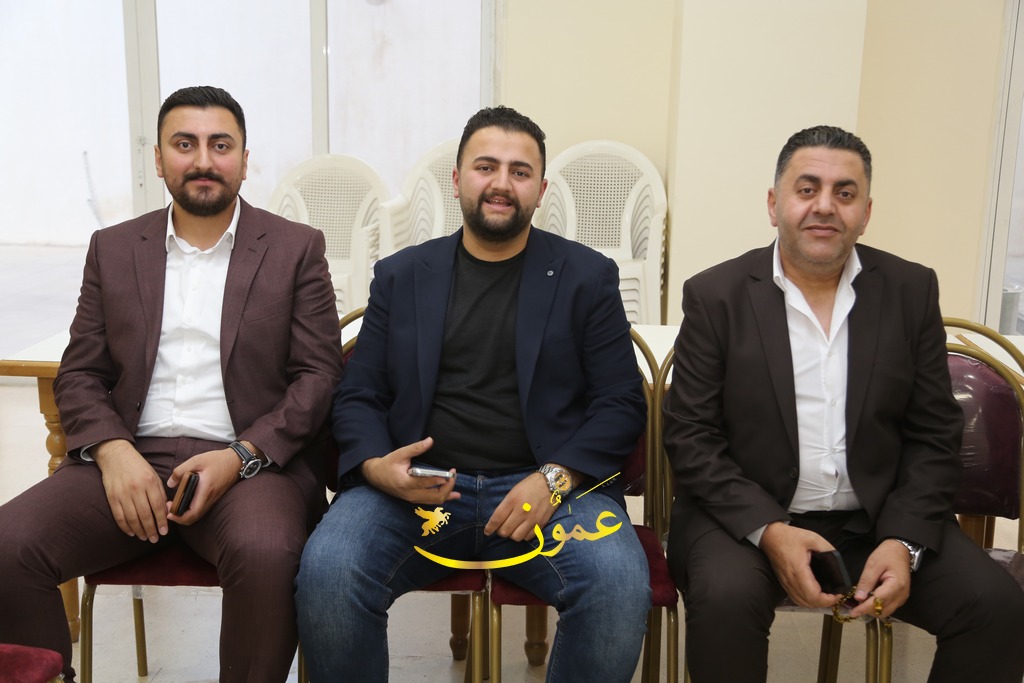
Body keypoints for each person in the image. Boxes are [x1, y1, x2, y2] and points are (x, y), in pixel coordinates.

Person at [295, 105, 651, 681]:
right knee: (329, 572)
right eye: (486, 167)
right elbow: (359, 392)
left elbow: (621, 401)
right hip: (417, 491)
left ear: (541, 190)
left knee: (617, 585)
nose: (501, 183)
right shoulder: (402, 275)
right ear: (458, 179)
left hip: (550, 491)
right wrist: (378, 467)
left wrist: (555, 479)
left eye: (520, 171)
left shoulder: (586, 277)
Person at [0, 86, 343, 682]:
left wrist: (240, 456)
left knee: (266, 553)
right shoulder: (112, 248)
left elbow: (318, 377)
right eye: (185, 144)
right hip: (132, 456)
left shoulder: (296, 248)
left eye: (220, 145)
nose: (203, 160)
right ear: (158, 159)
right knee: (9, 545)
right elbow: (80, 372)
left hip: (249, 465)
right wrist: (113, 453)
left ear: (244, 159)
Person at [663, 124, 1024, 682]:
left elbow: (934, 434)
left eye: (845, 193)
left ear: (866, 211)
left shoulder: (910, 290)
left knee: (996, 607)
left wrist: (904, 541)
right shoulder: (717, 295)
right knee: (725, 599)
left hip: (879, 519)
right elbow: (691, 435)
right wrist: (771, 530)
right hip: (745, 520)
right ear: (774, 203)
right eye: (807, 189)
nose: (825, 206)